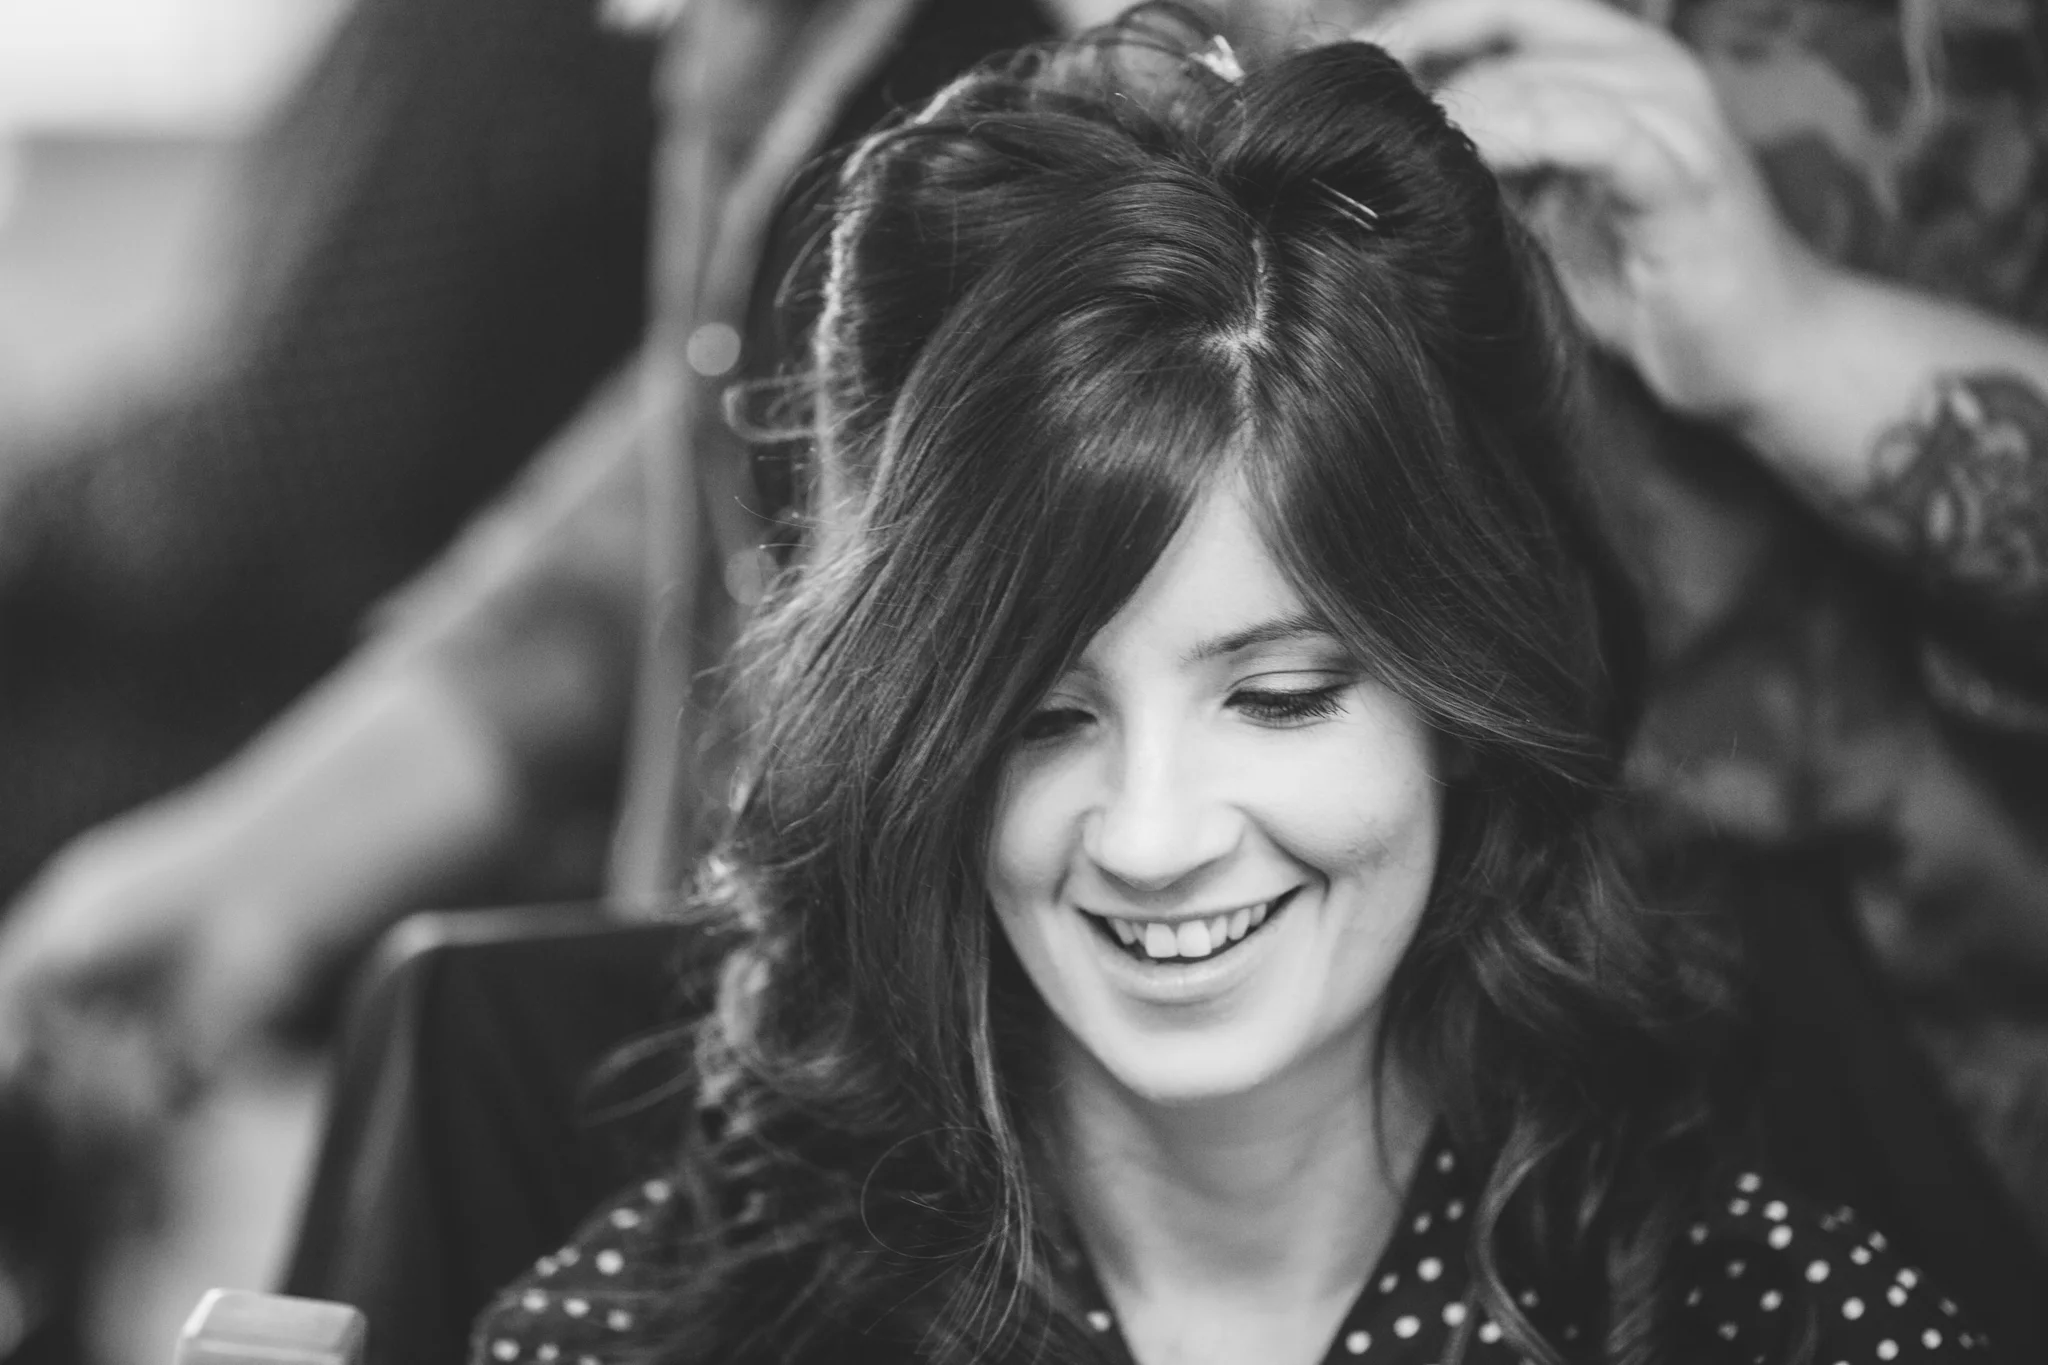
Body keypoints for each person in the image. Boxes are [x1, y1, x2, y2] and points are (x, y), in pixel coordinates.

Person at [468, 12, 1993, 1362]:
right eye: (1040, 719)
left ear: (1466, 700)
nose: (1151, 835)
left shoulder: (1788, 1322)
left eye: (1277, 697)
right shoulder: (629, 1334)